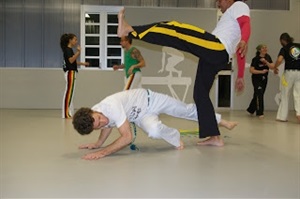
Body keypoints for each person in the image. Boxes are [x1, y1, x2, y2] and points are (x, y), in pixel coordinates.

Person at [117, 0, 251, 146]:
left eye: (219, 1)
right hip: (216, 56)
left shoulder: (239, 5)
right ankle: (214, 137)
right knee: (200, 94)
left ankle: (130, 30)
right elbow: (241, 49)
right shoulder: (229, 17)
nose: (218, 5)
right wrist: (240, 76)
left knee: (175, 29)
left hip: (217, 47)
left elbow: (245, 24)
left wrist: (244, 39)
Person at [72, 89, 238, 160]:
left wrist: (103, 153)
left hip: (152, 99)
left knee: (186, 110)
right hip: (141, 115)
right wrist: (98, 144)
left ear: (93, 111)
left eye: (99, 118)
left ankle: (221, 121)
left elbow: (127, 137)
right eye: (98, 124)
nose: (103, 121)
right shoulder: (95, 117)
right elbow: (107, 126)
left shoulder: (110, 105)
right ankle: (175, 137)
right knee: (154, 132)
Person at [60, 33, 89, 119]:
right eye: (75, 39)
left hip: (71, 72)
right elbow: (71, 60)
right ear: (70, 40)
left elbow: (72, 61)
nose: (76, 41)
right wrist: (79, 52)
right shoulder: (68, 50)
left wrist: (82, 63)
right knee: (68, 92)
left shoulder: (69, 50)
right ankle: (65, 114)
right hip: (70, 73)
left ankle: (69, 112)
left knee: (70, 93)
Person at [274, 33, 300, 123]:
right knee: (298, 94)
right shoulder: (298, 46)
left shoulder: (284, 48)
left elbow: (279, 60)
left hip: (289, 73)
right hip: (299, 72)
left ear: (282, 40)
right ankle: (299, 113)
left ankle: (282, 116)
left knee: (285, 93)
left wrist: (275, 67)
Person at [247, 44, 274, 118]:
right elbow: (251, 70)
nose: (265, 49)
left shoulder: (268, 57)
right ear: (259, 50)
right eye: (263, 48)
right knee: (259, 93)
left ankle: (251, 109)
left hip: (264, 79)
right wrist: (261, 72)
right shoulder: (255, 59)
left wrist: (266, 62)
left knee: (258, 94)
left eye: (266, 47)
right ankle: (260, 112)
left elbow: (272, 66)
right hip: (256, 79)